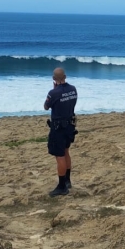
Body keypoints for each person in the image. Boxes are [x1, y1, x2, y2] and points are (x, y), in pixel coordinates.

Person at [44, 67, 78, 197]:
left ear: (54, 79)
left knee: (60, 156)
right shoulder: (73, 89)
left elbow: (46, 106)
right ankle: (67, 180)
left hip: (58, 128)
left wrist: (54, 90)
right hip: (70, 125)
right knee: (66, 151)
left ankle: (62, 186)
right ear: (65, 76)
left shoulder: (53, 93)